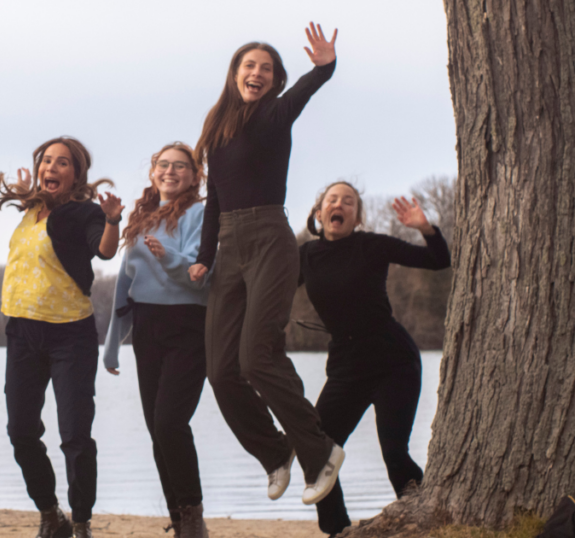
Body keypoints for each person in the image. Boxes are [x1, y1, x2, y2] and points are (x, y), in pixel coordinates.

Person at [187, 22, 344, 505]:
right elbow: (214, 199)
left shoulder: (276, 114)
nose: (256, 72)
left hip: (271, 239)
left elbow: (306, 92)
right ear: (235, 73)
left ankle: (319, 453)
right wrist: (204, 255)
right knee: (220, 369)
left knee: (256, 356)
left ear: (275, 80)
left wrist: (325, 67)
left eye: (266, 68)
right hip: (229, 244)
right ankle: (275, 452)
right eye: (249, 65)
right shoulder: (217, 127)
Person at [299, 182, 450, 536]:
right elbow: (269, 292)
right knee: (316, 451)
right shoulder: (304, 256)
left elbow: (438, 260)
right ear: (319, 213)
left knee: (394, 452)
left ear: (357, 216)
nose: (340, 205)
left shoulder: (372, 245)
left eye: (348, 202)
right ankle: (338, 530)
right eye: (332, 200)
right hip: (346, 366)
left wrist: (426, 228)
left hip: (392, 360)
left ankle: (426, 523)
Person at [0, 137, 123, 538]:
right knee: (21, 432)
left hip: (71, 336)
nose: (52, 167)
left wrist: (113, 221)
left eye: (62, 163)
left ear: (76, 174)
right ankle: (51, 515)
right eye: (47, 161)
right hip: (22, 333)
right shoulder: (30, 209)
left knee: (75, 436)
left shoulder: (84, 213)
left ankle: (80, 521)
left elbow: (103, 252)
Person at [102, 142, 210, 538]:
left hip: (187, 324)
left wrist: (169, 256)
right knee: (155, 427)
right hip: (146, 327)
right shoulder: (141, 218)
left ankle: (194, 515)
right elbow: (124, 285)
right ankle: (180, 518)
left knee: (169, 422)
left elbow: (200, 272)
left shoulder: (200, 213)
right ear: (153, 173)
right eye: (163, 165)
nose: (170, 171)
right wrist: (113, 342)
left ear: (194, 176)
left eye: (180, 166)